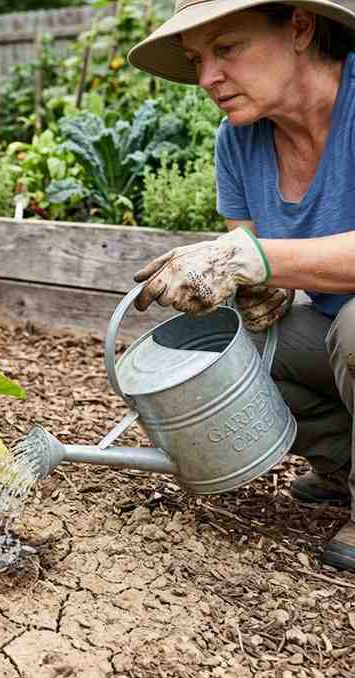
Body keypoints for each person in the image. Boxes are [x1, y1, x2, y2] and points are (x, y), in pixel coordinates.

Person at [126, 0, 355, 571]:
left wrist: (249, 259)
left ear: (300, 27)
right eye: (198, 59)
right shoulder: (238, 141)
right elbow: (260, 269)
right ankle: (344, 470)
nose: (207, 78)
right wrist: (250, 287)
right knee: (233, 353)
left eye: (227, 49)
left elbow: (256, 254)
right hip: (333, 331)